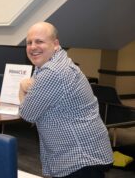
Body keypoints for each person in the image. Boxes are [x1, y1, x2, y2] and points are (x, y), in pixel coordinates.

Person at [19, 22, 113, 178]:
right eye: (29, 42)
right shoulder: (53, 63)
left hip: (79, 158)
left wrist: (22, 88)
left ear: (55, 44)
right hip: (86, 151)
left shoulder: (53, 72)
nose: (33, 47)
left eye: (39, 41)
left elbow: (27, 113)